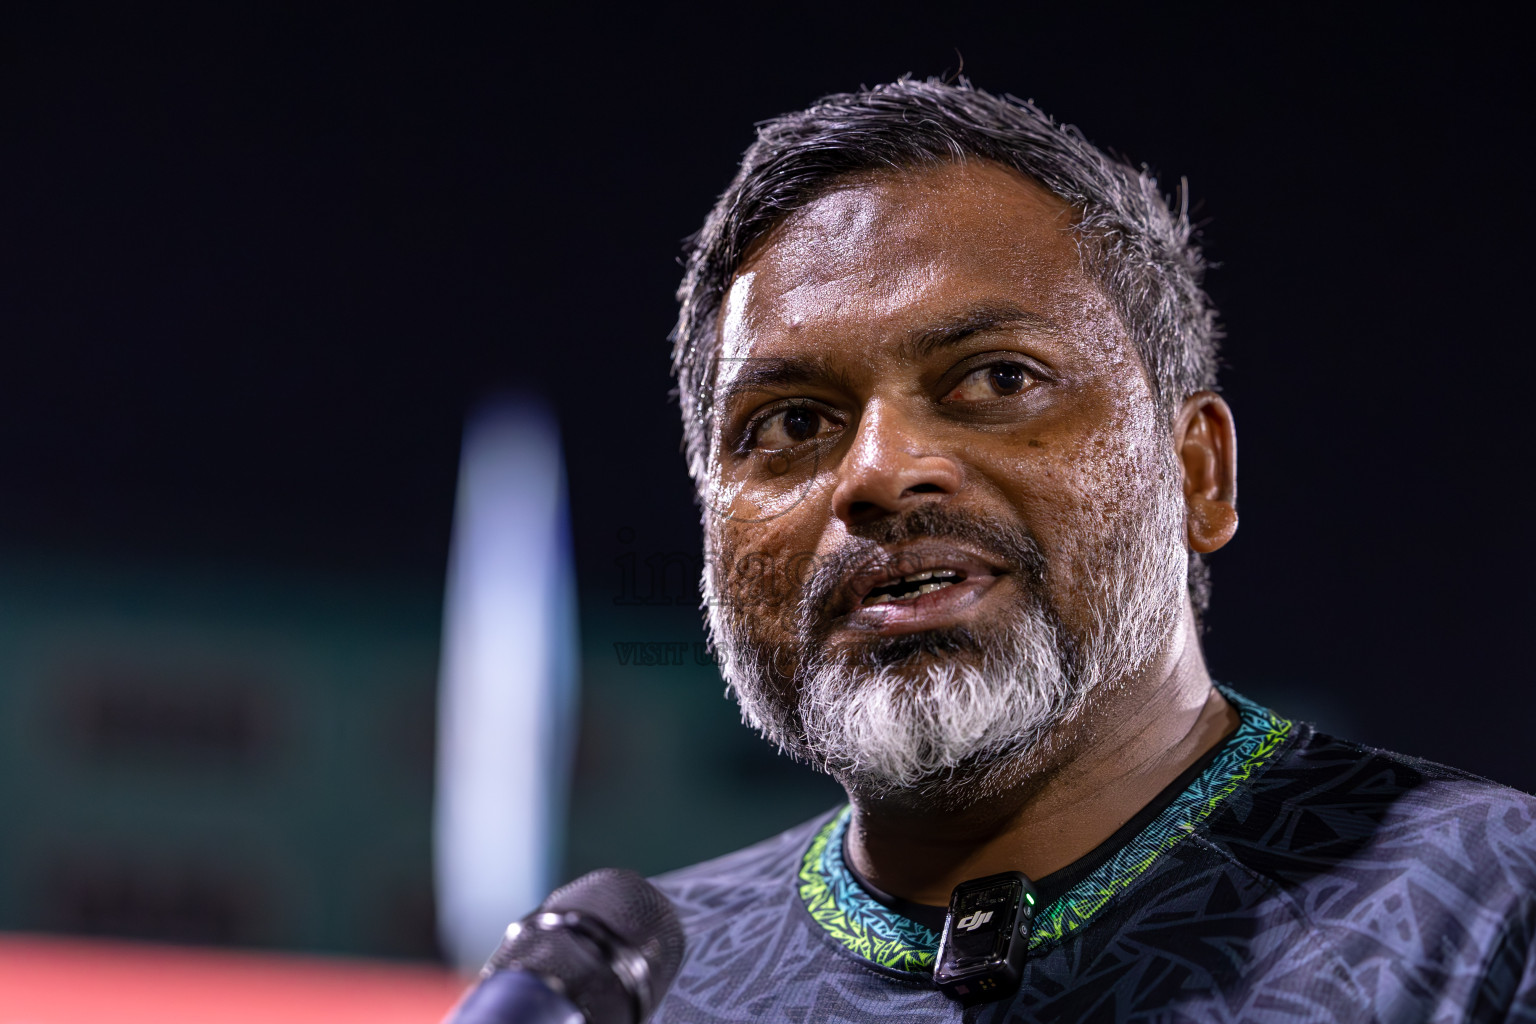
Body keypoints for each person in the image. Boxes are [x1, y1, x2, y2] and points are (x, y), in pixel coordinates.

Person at [650, 79, 1535, 1022]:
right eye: (791, 421)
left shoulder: (1491, 913)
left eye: (997, 378)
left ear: (1198, 475)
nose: (879, 471)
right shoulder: (628, 982)